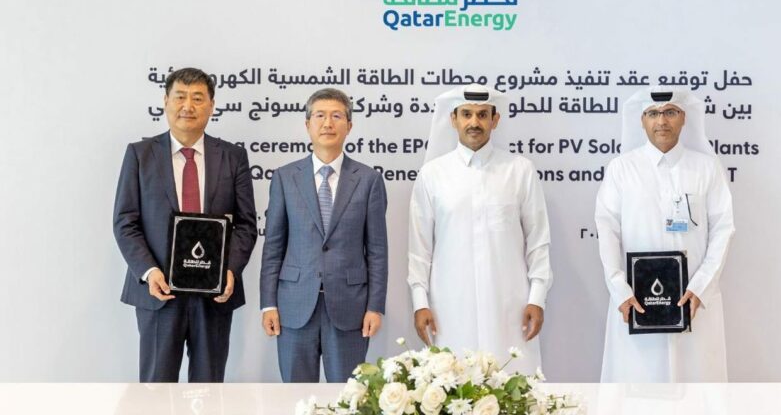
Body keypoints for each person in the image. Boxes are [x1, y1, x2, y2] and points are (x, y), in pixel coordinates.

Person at [113, 67, 257, 382]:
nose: (187, 106)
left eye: (197, 98)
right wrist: (149, 272)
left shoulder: (232, 157)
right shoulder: (140, 155)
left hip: (215, 296)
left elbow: (246, 224)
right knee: (156, 388)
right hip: (159, 294)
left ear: (212, 105)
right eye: (180, 97)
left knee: (209, 387)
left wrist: (228, 270)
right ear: (166, 101)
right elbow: (125, 222)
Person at [408, 84, 552, 372]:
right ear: (454, 119)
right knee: (452, 386)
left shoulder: (520, 170)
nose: (474, 122)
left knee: (513, 384)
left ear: (494, 121)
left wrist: (538, 298)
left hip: (509, 307)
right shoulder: (433, 175)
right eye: (467, 114)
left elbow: (538, 241)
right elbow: (419, 248)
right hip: (449, 306)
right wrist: (419, 302)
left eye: (482, 115)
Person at [595, 87, 735, 382]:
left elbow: (723, 228)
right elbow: (607, 230)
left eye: (670, 112)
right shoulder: (621, 169)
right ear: (642, 120)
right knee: (639, 393)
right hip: (636, 303)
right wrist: (620, 289)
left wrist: (701, 286)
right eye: (653, 114)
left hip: (693, 301)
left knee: (697, 396)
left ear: (684, 118)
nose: (662, 121)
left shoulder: (707, 168)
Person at [259, 88, 388, 382]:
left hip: (349, 308)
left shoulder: (368, 180)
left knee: (347, 400)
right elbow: (273, 246)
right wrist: (268, 303)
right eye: (319, 115)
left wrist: (375, 307)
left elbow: (378, 250)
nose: (327, 123)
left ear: (349, 126)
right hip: (294, 305)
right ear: (307, 125)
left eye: (336, 116)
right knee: (295, 397)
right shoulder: (284, 177)